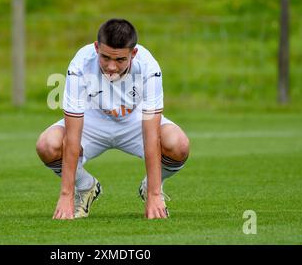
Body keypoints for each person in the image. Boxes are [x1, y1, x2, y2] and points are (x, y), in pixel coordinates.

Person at [36, 18, 190, 220]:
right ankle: (85, 186)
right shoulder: (80, 64)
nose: (111, 67)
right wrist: (66, 194)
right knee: (47, 145)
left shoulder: (149, 66)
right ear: (96, 47)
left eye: (120, 60)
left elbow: (152, 135)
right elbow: (72, 136)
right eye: (105, 57)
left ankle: (150, 187)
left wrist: (154, 194)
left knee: (179, 145)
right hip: (92, 119)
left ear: (133, 54)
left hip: (135, 121)